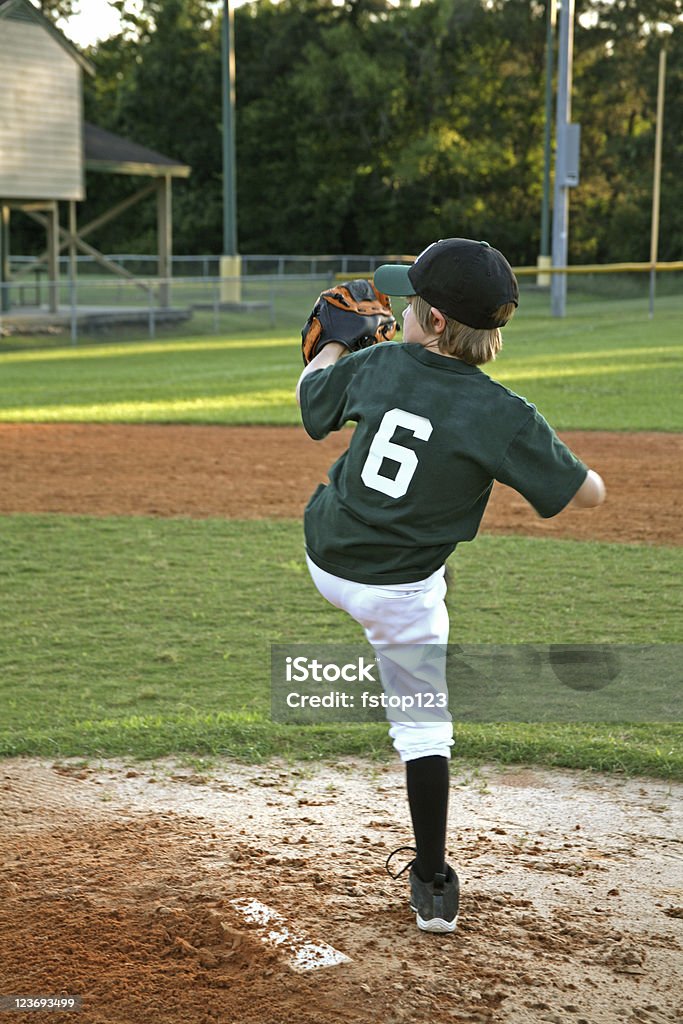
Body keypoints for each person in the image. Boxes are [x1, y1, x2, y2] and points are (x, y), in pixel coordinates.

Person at [295, 238, 606, 934]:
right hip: (400, 595)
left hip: (327, 555)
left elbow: (312, 403)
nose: (393, 312)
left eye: (406, 303)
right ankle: (431, 883)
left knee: (380, 532)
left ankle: (410, 562)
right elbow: (585, 494)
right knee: (422, 726)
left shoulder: (377, 363)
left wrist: (335, 347)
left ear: (432, 321)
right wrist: (560, 468)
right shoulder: (504, 413)